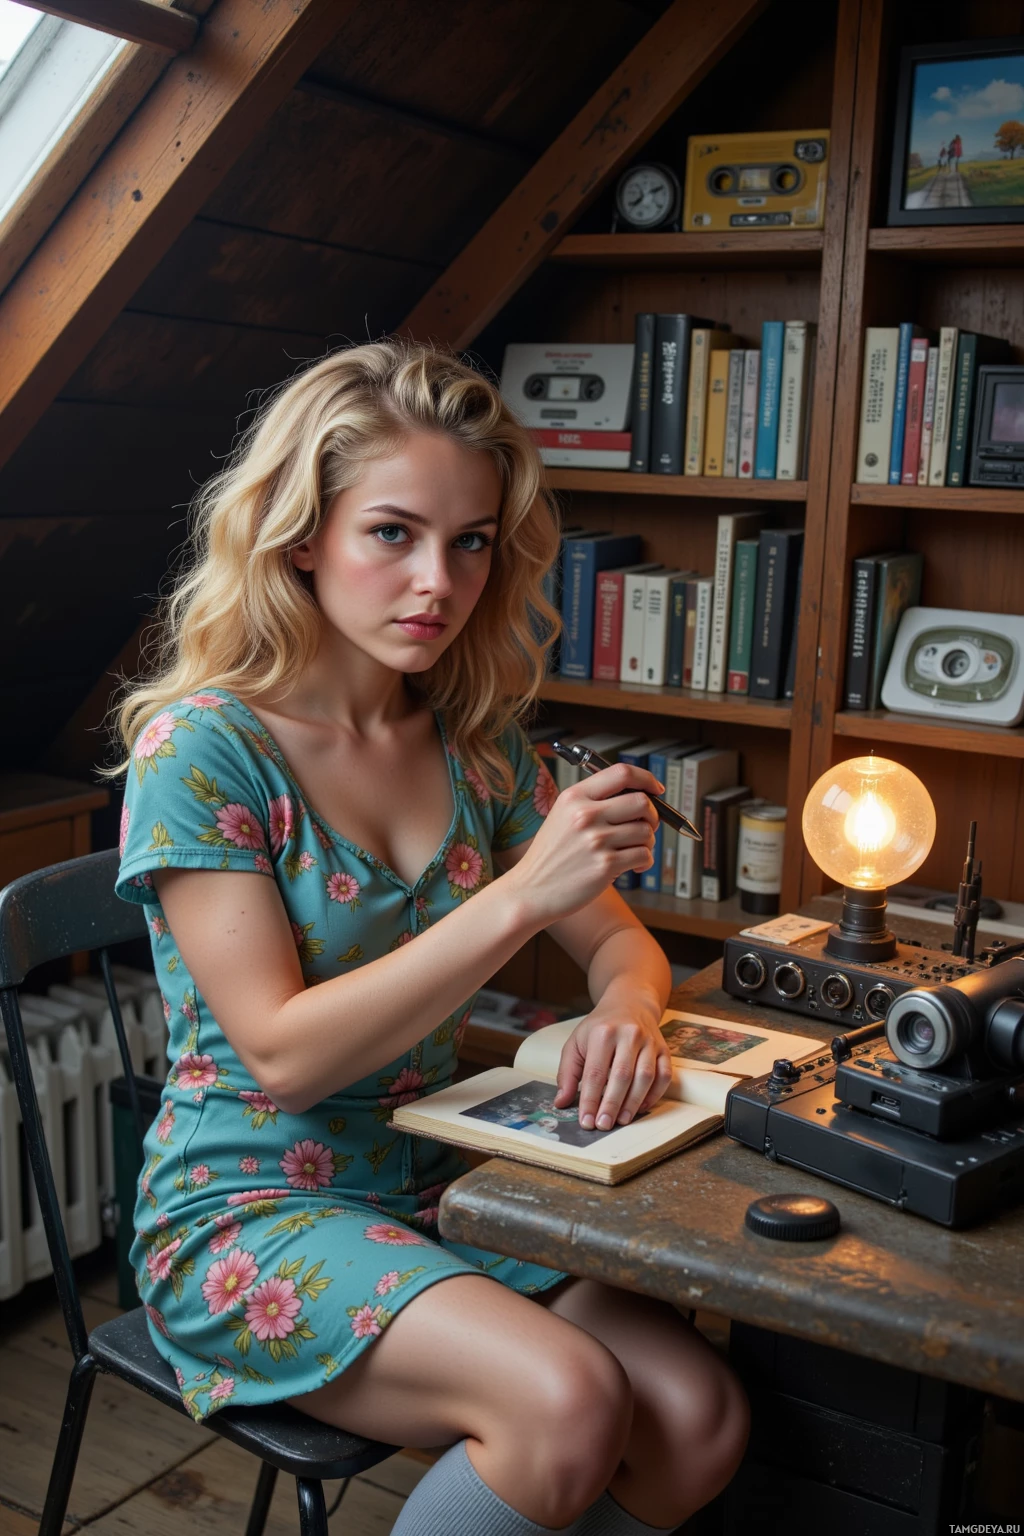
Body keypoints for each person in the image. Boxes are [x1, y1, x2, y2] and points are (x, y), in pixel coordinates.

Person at [111, 340, 749, 1536]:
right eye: (391, 534)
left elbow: (623, 948)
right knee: (566, 1402)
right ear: (303, 536)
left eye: (468, 543)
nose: (437, 583)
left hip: (448, 1180)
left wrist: (623, 1010)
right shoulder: (200, 750)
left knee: (697, 1412)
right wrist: (514, 900)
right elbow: (286, 1057)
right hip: (248, 1209)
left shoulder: (476, 746)